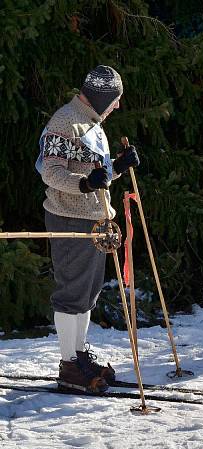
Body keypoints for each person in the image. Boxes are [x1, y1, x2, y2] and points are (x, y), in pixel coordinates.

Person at [36, 65, 140, 393]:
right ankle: (69, 365)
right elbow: (51, 172)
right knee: (72, 293)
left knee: (88, 292)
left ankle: (80, 353)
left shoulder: (91, 122)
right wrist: (83, 184)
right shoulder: (66, 122)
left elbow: (94, 174)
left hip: (94, 220)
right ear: (103, 96)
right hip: (70, 219)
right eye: (116, 99)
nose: (118, 106)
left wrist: (117, 168)